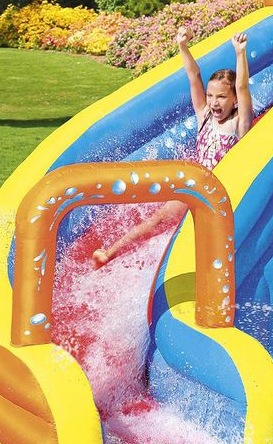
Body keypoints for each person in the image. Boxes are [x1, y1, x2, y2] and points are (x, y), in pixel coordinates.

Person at [93, 27, 253, 268]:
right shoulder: (205, 115)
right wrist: (182, 47)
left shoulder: (238, 124)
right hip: (195, 188)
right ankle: (110, 254)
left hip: (219, 194)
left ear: (233, 100)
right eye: (210, 96)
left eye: (221, 97)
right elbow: (193, 76)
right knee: (159, 220)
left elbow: (242, 88)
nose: (214, 102)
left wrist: (240, 54)